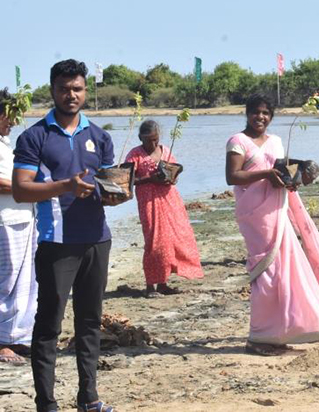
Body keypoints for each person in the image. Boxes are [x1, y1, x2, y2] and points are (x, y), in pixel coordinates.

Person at [12, 60, 117, 412]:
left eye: (77, 89)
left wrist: (120, 193)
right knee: (49, 325)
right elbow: (22, 191)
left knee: (89, 321)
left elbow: (108, 186)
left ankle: (89, 398)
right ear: (52, 90)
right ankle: (47, 403)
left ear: (85, 91)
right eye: (64, 88)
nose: (71, 95)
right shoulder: (35, 136)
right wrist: (64, 186)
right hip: (56, 244)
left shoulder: (99, 137)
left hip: (97, 240)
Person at [226, 95, 319, 354]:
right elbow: (232, 176)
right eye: (256, 113)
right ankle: (258, 336)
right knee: (265, 271)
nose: (261, 117)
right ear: (247, 114)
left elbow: (281, 168)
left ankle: (282, 331)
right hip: (255, 214)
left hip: (278, 209)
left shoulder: (276, 142)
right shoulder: (238, 142)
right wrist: (267, 174)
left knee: (285, 269)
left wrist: (300, 174)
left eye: (266, 113)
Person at [125, 120, 203, 297]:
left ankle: (162, 282)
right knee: (154, 241)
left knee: (173, 238)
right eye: (148, 140)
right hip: (149, 202)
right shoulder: (135, 154)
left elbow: (174, 174)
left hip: (169, 199)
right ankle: (150, 285)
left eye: (155, 139)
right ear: (140, 138)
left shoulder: (165, 150)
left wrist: (170, 177)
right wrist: (149, 178)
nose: (153, 144)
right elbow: (127, 180)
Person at [0, 88, 37, 367]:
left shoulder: (6, 143)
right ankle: (1, 343)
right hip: (4, 220)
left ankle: (17, 337)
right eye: (7, 115)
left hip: (23, 216)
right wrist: (25, 188)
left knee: (26, 280)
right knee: (5, 279)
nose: (11, 121)